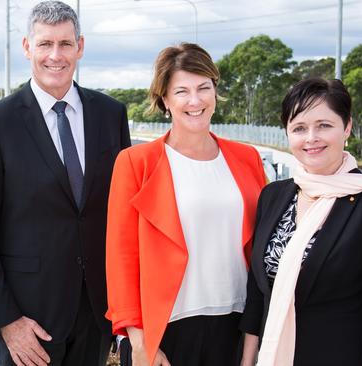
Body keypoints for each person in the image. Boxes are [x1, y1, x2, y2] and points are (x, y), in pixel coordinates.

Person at [0, 1, 131, 365]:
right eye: (45, 44)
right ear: (27, 47)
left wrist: (125, 313)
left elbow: (122, 220)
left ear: (80, 47)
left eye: (65, 44)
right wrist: (6, 321)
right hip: (29, 322)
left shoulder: (111, 114)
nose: (56, 55)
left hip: (97, 315)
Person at [240, 78, 362, 366]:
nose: (311, 137)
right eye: (299, 128)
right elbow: (257, 293)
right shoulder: (274, 195)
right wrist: (247, 359)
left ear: (346, 127)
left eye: (324, 125)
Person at [105, 43, 267, 366]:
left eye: (203, 88)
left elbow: (263, 247)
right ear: (165, 99)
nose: (195, 101)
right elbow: (121, 257)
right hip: (163, 330)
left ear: (215, 91)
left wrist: (257, 336)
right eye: (182, 91)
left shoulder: (247, 159)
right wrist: (140, 342)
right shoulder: (136, 163)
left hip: (236, 327)